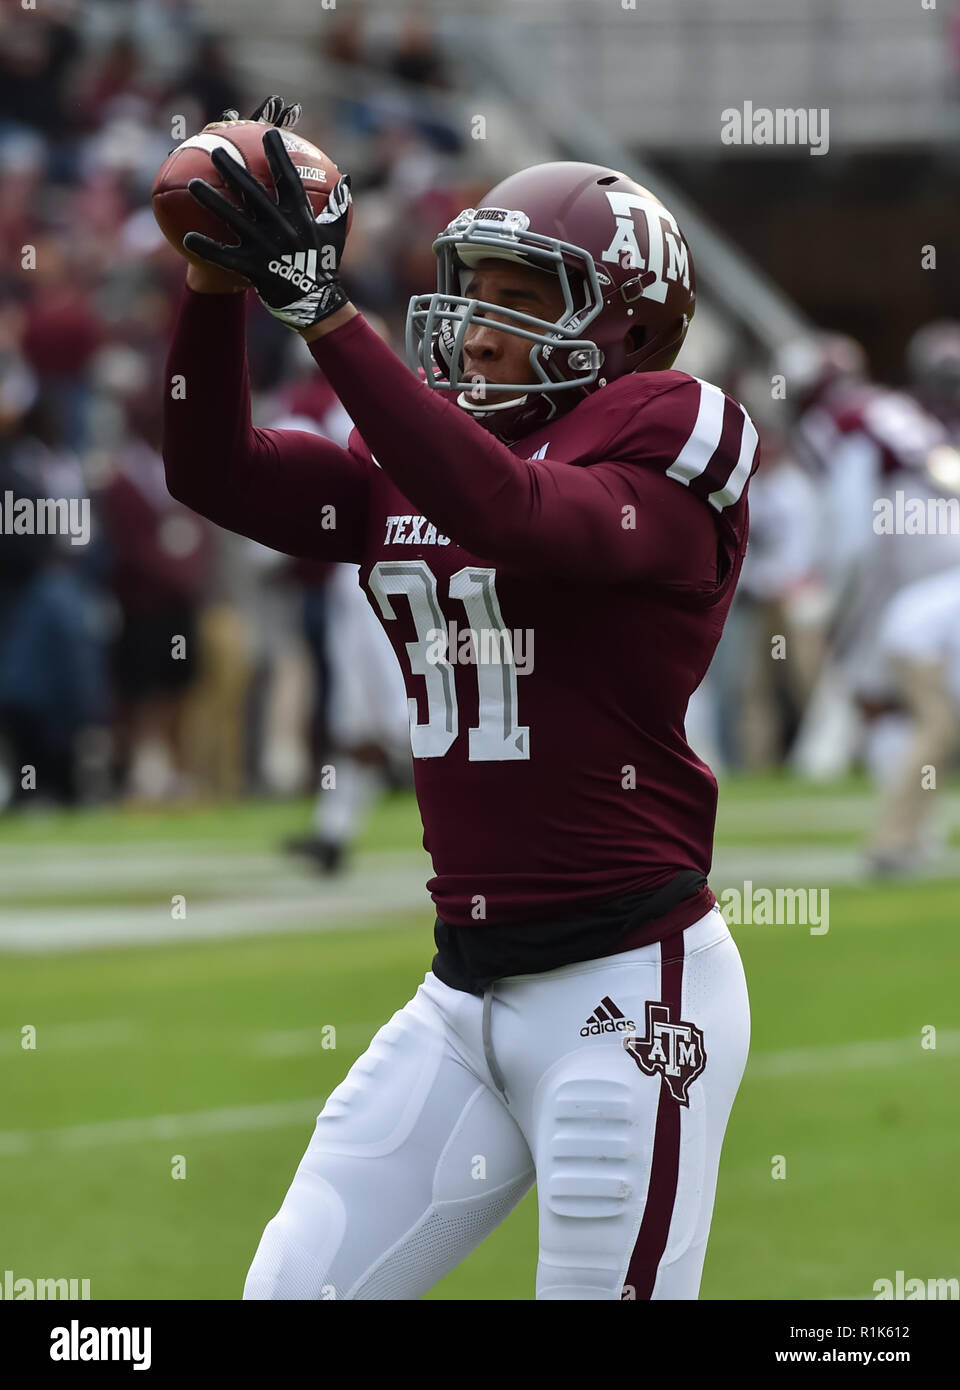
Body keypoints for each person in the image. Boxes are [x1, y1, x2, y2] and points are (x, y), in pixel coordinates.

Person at [161, 99, 756, 1301]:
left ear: (628, 324)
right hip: (461, 992)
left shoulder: (672, 432)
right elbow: (208, 468)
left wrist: (325, 316)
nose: (479, 326)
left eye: (526, 295)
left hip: (627, 991)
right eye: (474, 282)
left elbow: (514, 516)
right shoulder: (421, 451)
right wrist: (216, 286)